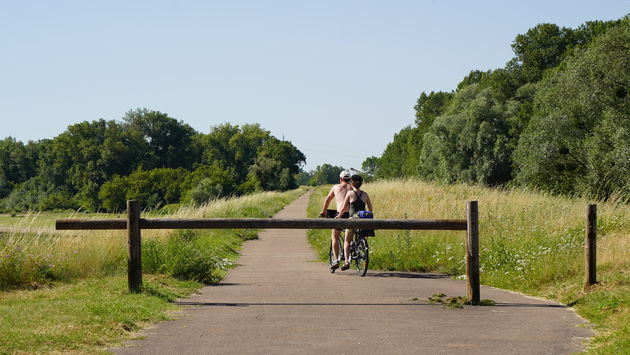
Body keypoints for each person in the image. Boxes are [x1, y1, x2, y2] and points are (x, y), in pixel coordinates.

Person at [336, 174, 373, 270]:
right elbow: (370, 209)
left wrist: (339, 216)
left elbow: (344, 208)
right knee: (359, 236)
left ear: (352, 183)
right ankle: (360, 247)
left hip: (352, 220)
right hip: (363, 221)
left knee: (347, 240)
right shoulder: (365, 195)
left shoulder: (350, 193)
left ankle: (347, 261)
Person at [319, 170, 353, 270]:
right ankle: (347, 260)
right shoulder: (353, 188)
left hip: (340, 215)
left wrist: (324, 212)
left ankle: (336, 259)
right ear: (350, 179)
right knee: (348, 239)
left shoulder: (336, 187)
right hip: (351, 215)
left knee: (335, 236)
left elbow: (327, 200)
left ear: (340, 179)